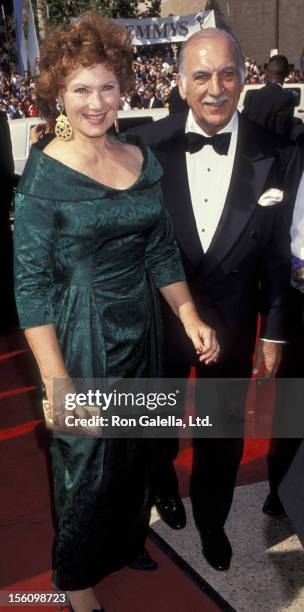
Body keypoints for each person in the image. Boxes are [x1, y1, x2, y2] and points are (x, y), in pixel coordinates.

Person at [13, 13, 219, 612]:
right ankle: (74, 576)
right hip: (81, 335)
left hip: (143, 332)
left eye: (105, 86)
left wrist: (187, 316)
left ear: (122, 88)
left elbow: (160, 250)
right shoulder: (42, 180)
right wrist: (56, 380)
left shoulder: (140, 160)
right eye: (80, 89)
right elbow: (30, 288)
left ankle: (125, 539)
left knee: (135, 451)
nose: (95, 102)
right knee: (87, 461)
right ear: (58, 93)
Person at [129, 28, 291, 571]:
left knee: (221, 433)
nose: (215, 88)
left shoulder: (277, 153)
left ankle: (212, 521)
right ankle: (163, 487)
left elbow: (277, 256)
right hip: (163, 316)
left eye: (226, 74)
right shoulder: (148, 146)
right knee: (158, 421)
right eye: (200, 75)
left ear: (245, 76)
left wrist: (274, 332)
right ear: (179, 82)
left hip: (235, 320)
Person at [243, 54, 297, 138]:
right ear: (287, 73)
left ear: (266, 72)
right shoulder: (286, 99)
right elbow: (282, 132)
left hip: (249, 146)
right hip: (270, 149)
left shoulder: (252, 95)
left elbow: (243, 122)